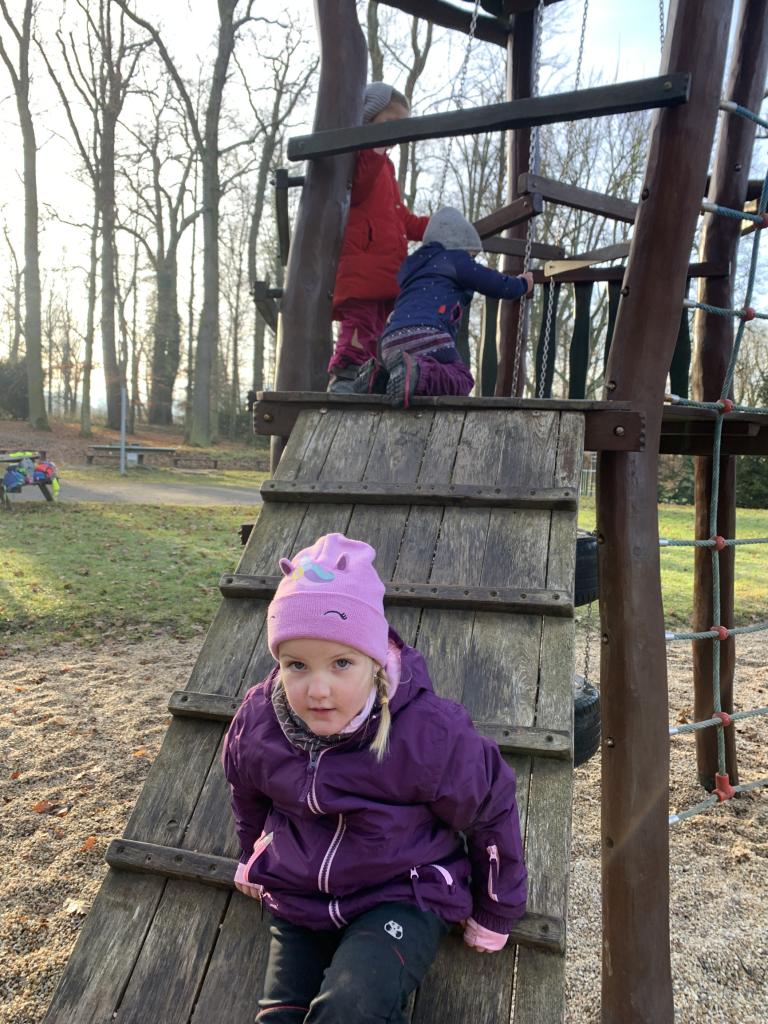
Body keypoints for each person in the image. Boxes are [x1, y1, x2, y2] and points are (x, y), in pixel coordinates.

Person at [222, 533, 528, 1024]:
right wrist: (252, 853)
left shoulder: (427, 733)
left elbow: (491, 805)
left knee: (348, 1009)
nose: (318, 689)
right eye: (296, 665)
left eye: (341, 663)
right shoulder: (261, 721)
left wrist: (496, 905)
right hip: (300, 895)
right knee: (279, 1017)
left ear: (375, 659)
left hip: (401, 892)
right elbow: (247, 790)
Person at [351, 207, 534, 406]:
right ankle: (417, 373)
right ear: (460, 245)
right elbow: (495, 283)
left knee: (406, 369)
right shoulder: (455, 259)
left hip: (390, 341)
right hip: (427, 333)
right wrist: (522, 284)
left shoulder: (413, 272)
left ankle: (378, 379)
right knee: (462, 378)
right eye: (471, 256)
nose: (471, 261)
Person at [327, 83, 429, 394]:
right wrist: (374, 148)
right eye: (390, 123)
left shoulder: (386, 166)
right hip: (363, 262)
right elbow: (357, 188)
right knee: (359, 324)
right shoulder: (362, 155)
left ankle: (365, 380)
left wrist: (434, 226)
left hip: (385, 268)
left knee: (377, 330)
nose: (395, 132)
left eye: (401, 125)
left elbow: (400, 218)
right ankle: (345, 375)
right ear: (368, 119)